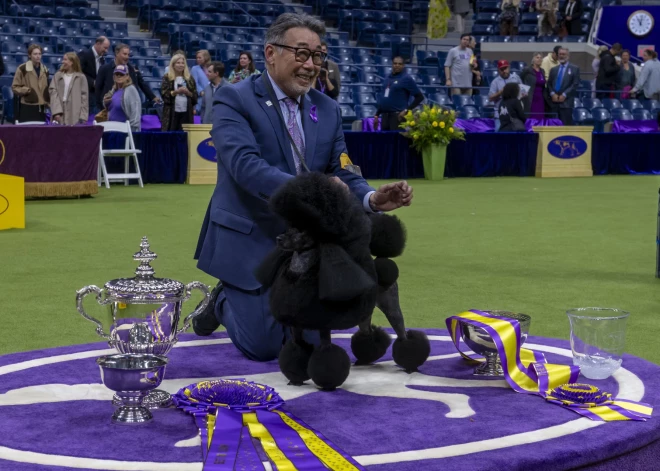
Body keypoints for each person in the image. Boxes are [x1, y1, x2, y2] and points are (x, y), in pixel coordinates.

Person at [192, 13, 414, 362]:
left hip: (307, 243)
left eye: (318, 56)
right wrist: (318, 189)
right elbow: (245, 167)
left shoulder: (327, 109)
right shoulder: (234, 99)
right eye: (301, 53)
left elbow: (343, 167)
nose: (311, 65)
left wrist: (371, 197)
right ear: (270, 53)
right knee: (264, 347)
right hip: (252, 237)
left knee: (309, 337)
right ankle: (221, 301)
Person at [95, 43, 160, 110]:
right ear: (117, 53)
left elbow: (142, 84)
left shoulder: (132, 69)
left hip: (127, 108)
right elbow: (98, 88)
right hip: (108, 108)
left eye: (128, 55)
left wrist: (153, 97)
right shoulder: (105, 68)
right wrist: (100, 107)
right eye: (125, 54)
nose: (127, 57)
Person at [374, 56, 425, 131]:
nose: (397, 65)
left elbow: (420, 97)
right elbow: (384, 98)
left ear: (403, 66)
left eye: (400, 64)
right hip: (385, 117)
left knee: (397, 142)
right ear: (392, 64)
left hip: (398, 117)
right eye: (395, 63)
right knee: (384, 142)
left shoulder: (406, 78)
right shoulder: (387, 78)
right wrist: (377, 115)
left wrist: (406, 111)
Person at [12, 44, 49, 123]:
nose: (38, 56)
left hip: (42, 106)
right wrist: (28, 91)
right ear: (29, 55)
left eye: (39, 54)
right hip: (28, 106)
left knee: (42, 133)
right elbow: (15, 87)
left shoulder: (45, 69)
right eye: (35, 54)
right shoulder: (22, 68)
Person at [49, 52, 88, 125]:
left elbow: (84, 98)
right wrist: (56, 112)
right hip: (60, 110)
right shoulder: (57, 76)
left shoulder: (81, 77)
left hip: (74, 111)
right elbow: (53, 93)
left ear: (72, 62)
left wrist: (83, 116)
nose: (63, 62)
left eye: (65, 60)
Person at [160, 54, 197, 131]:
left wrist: (188, 93)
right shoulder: (167, 78)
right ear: (173, 65)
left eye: (182, 63)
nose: (181, 65)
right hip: (171, 113)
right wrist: (176, 92)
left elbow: (195, 97)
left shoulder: (189, 78)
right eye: (178, 63)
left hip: (186, 114)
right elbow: (164, 95)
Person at [102, 64, 142, 131]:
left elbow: (135, 114)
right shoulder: (114, 90)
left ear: (127, 76)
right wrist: (105, 103)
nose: (119, 76)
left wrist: (131, 131)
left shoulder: (131, 90)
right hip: (111, 129)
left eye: (121, 74)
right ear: (113, 77)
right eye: (117, 74)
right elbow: (111, 108)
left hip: (124, 131)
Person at [547, 47, 580, 125]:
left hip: (566, 103)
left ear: (568, 55)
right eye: (560, 54)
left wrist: (564, 95)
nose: (561, 56)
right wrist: (552, 94)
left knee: (565, 126)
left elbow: (575, 84)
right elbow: (549, 83)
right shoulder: (553, 69)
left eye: (563, 54)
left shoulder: (575, 69)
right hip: (553, 103)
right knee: (552, 126)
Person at [78, 36, 110, 114]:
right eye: (105, 48)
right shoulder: (84, 54)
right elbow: (78, 72)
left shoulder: (102, 59)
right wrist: (93, 82)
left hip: (97, 96)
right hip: (85, 94)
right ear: (98, 44)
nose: (106, 51)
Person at [488, 60, 522, 131]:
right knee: (498, 133)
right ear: (498, 70)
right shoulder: (495, 82)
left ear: (509, 68)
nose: (504, 71)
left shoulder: (515, 78)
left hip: (514, 113)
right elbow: (490, 98)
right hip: (500, 114)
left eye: (505, 68)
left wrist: (523, 94)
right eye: (502, 69)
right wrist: (500, 92)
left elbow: (522, 90)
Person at [520, 52, 547, 119]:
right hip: (531, 97)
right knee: (532, 117)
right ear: (533, 59)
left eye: (541, 58)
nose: (539, 59)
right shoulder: (527, 70)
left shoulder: (542, 71)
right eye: (537, 57)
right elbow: (521, 81)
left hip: (541, 98)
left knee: (540, 117)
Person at [191, 50, 211, 114]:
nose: (198, 59)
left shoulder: (211, 68)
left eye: (200, 58)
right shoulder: (195, 68)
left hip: (210, 98)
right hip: (200, 98)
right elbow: (194, 83)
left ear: (206, 57)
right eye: (197, 58)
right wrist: (201, 92)